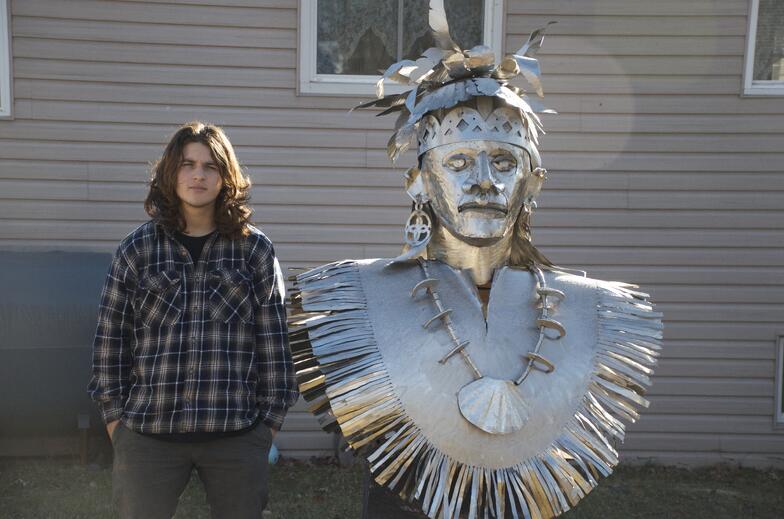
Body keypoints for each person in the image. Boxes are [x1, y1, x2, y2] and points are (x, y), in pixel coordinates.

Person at [288, 3, 662, 518]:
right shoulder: (350, 299)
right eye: (459, 161)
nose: (483, 179)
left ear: (532, 183)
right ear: (419, 180)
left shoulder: (599, 314)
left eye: (504, 161)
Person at [88, 121, 298, 519]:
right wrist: (116, 421)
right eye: (188, 164)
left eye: (210, 166)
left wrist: (266, 426)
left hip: (235, 435)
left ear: (226, 178)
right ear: (171, 173)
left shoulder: (253, 251)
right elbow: (110, 340)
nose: (198, 174)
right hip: (149, 435)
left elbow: (274, 342)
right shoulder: (136, 249)